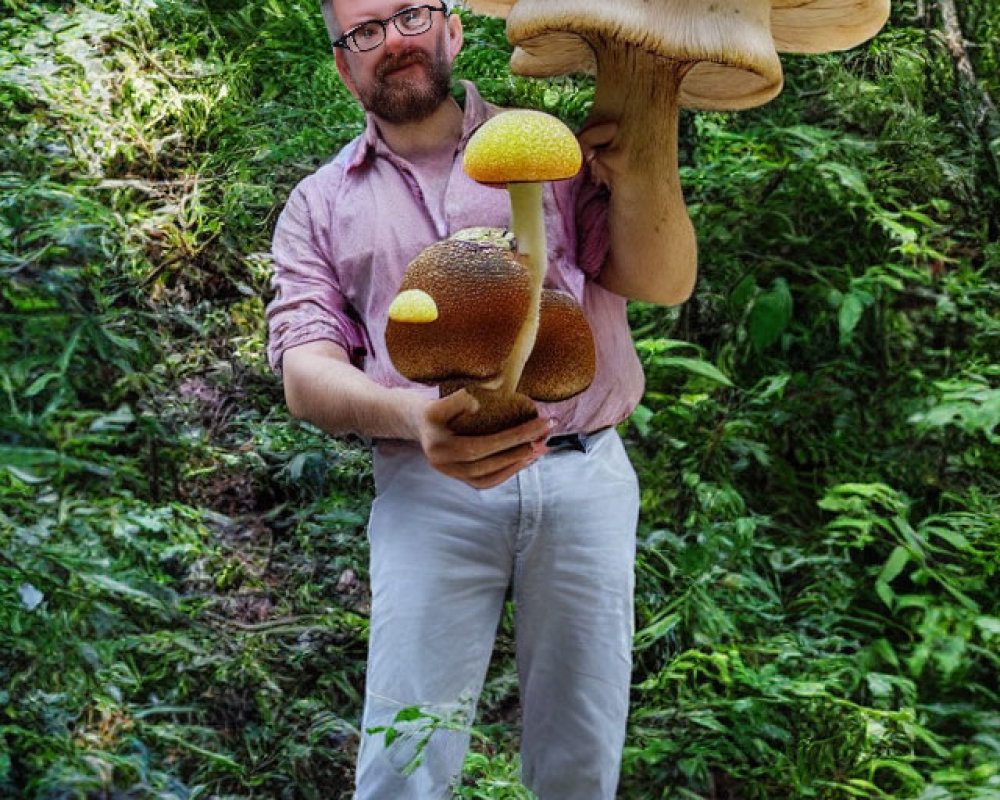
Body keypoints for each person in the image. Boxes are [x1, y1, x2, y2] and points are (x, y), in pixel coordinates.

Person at [265, 1, 697, 797]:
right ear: (341, 64)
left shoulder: (554, 150)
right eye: (364, 31)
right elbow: (304, 369)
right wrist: (412, 418)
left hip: (583, 477)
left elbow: (661, 281)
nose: (392, 40)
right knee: (405, 761)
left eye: (409, 14)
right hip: (428, 490)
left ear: (453, 27)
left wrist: (643, 172)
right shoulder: (319, 205)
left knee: (580, 759)